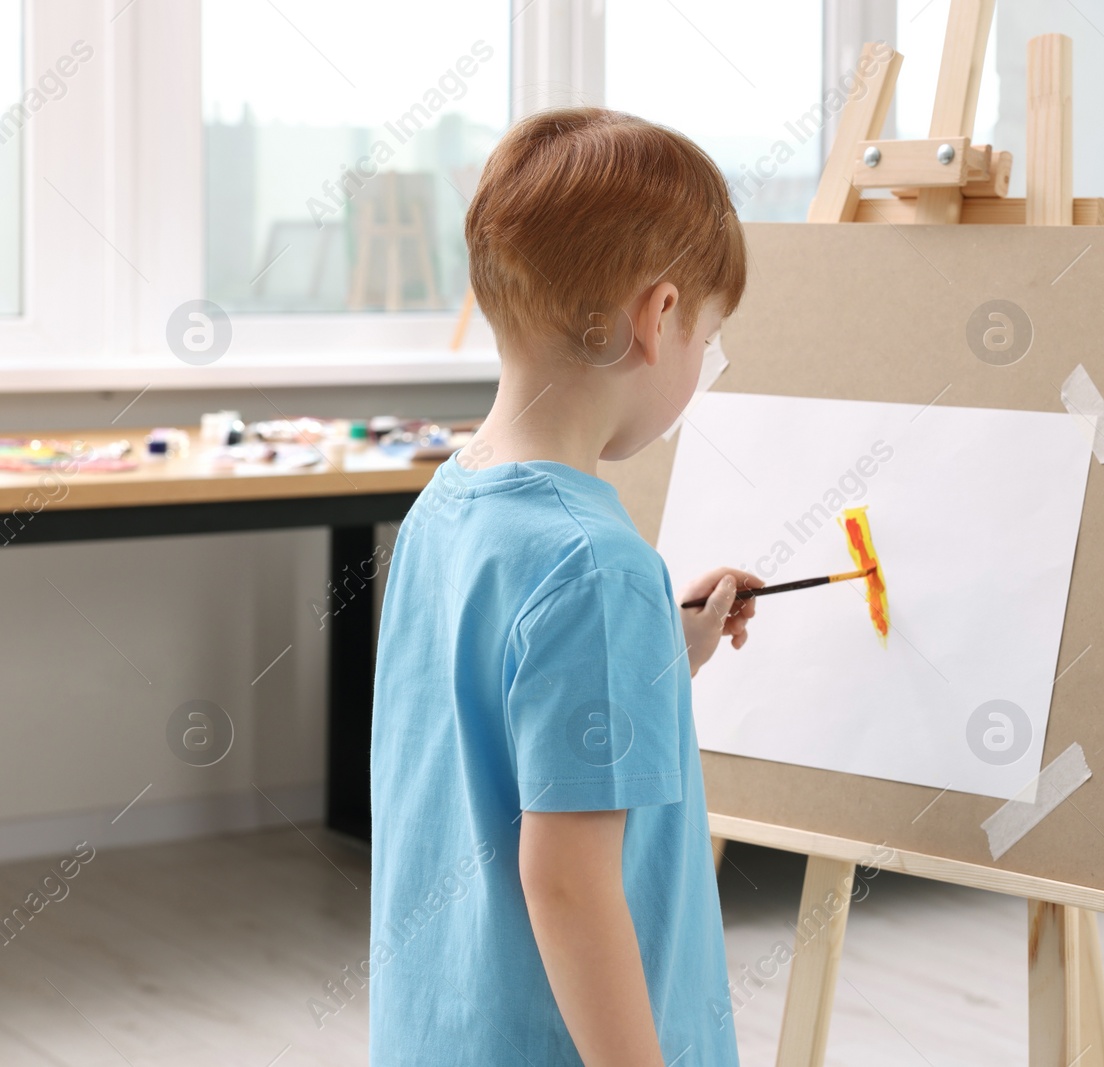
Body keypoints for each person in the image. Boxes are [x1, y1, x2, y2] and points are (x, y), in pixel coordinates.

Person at [369, 107, 759, 1066]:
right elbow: (569, 885)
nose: (701, 364)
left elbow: (501, 729)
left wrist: (661, 657)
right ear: (657, 317)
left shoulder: (447, 506)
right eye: (709, 337)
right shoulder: (599, 567)